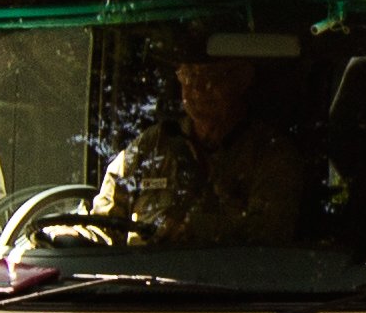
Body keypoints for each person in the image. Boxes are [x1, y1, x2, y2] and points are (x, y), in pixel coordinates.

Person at [97, 49, 312, 246]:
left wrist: (195, 229)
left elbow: (271, 233)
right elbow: (104, 224)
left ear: (242, 80)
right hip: (139, 284)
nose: (198, 89)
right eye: (189, 76)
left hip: (228, 284)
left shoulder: (270, 152)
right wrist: (72, 235)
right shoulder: (152, 144)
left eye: (212, 77)